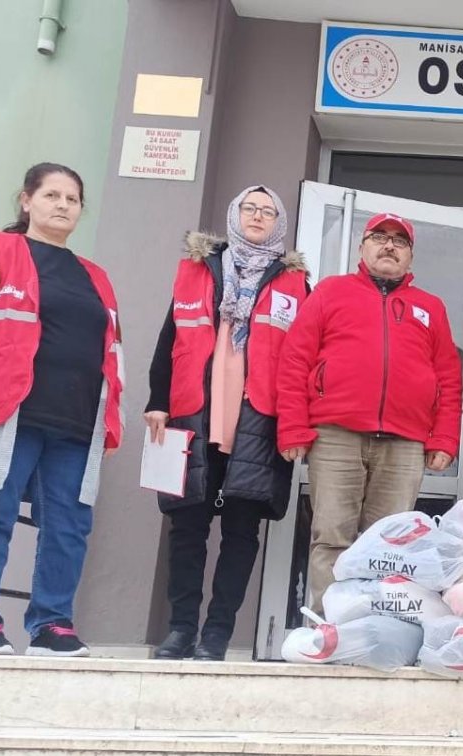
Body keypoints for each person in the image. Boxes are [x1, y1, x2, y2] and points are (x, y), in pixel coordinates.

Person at [0, 162, 124, 656]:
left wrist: (109, 422)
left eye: (73, 199)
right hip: (4, 413)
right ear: (26, 201)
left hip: (76, 423)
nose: (63, 205)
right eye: (52, 195)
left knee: (69, 526)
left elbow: (112, 353)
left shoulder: (96, 277)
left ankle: (52, 624)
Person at [143, 185, 309, 660]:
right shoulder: (199, 269)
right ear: (235, 215)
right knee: (187, 528)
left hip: (259, 421)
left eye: (268, 211)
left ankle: (216, 636)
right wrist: (157, 401)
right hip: (192, 413)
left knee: (241, 533)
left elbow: (301, 360)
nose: (258, 217)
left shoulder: (296, 282)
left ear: (279, 223)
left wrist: (296, 424)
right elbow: (169, 337)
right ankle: (180, 630)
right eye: (250, 209)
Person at [277, 212, 462, 616]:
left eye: (399, 241)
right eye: (379, 237)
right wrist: (292, 427)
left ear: (410, 256)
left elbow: (448, 377)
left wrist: (444, 438)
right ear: (363, 247)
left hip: (405, 442)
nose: (389, 246)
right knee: (332, 537)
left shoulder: (430, 307)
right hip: (336, 435)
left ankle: (377, 631)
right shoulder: (330, 292)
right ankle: (330, 628)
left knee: (391, 546)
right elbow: (295, 361)